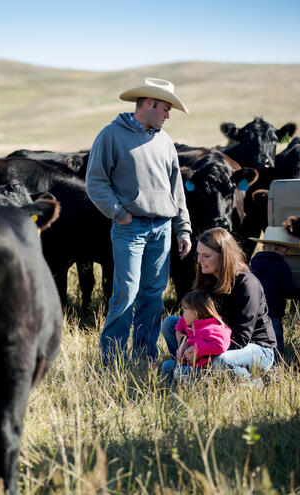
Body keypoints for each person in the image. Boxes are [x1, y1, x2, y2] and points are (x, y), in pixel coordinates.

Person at [85, 78, 192, 364]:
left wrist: (183, 229)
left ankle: (144, 355)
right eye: (166, 108)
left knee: (153, 296)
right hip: (130, 228)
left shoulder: (165, 140)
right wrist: (119, 213)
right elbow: (95, 182)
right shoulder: (110, 135)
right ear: (150, 104)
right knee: (126, 293)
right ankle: (113, 359)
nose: (168, 115)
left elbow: (176, 189)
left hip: (162, 228)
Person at [161, 227, 276, 383]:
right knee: (170, 324)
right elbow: (194, 317)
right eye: (199, 255)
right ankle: (199, 372)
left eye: (206, 255)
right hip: (212, 339)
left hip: (255, 347)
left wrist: (201, 349)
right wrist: (186, 342)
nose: (200, 260)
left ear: (224, 256)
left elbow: (241, 338)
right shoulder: (207, 278)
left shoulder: (247, 284)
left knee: (221, 361)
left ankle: (251, 383)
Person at [249, 227, 300, 357]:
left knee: (256, 340)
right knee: (275, 340)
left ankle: (257, 361)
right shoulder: (281, 265)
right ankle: (276, 365)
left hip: (253, 311)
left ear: (264, 248)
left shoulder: (253, 263)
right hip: (273, 312)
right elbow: (286, 289)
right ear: (285, 249)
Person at [161, 289, 232, 382]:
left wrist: (198, 349)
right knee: (166, 366)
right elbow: (182, 321)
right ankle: (173, 390)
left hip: (203, 370)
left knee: (180, 372)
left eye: (184, 310)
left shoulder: (212, 328)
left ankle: (194, 387)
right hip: (190, 364)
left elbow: (221, 346)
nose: (182, 314)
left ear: (195, 314)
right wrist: (178, 331)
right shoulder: (193, 323)